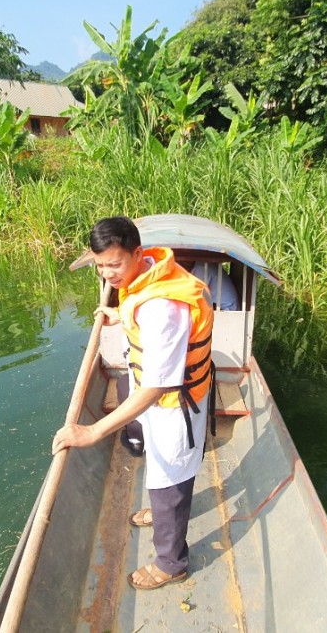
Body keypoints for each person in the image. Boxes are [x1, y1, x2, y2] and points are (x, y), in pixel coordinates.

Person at [52, 216, 212, 591]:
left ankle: (172, 563)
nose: (108, 275)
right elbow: (140, 318)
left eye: (115, 264)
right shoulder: (147, 276)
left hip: (174, 407)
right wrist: (118, 314)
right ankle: (160, 514)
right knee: (157, 467)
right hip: (157, 400)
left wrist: (93, 430)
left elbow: (157, 385)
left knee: (170, 480)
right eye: (101, 266)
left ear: (138, 254)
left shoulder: (162, 309)